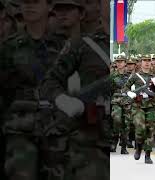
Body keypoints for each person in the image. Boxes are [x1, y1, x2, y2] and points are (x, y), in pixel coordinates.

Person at [40, 0, 110, 179]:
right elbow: (49, 82)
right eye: (107, 3)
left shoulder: (138, 48)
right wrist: (65, 101)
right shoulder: (83, 44)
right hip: (92, 141)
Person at [0, 0, 63, 179]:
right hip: (19, 129)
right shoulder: (8, 47)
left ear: (49, 7)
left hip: (55, 129)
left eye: (35, 1)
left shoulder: (63, 46)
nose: (29, 6)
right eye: (25, 2)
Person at [124, 54, 155, 164]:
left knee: (150, 130)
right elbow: (125, 87)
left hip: (151, 105)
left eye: (149, 60)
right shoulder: (135, 76)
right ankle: (139, 147)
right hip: (138, 105)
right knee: (140, 128)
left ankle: (148, 155)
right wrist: (130, 93)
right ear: (141, 62)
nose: (147, 62)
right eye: (145, 60)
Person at [110, 54, 130, 154]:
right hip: (116, 101)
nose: (119, 63)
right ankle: (114, 142)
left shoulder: (130, 75)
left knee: (126, 124)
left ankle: (124, 146)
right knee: (116, 120)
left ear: (125, 63)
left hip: (127, 102)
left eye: (121, 62)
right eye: (117, 62)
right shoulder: (112, 75)